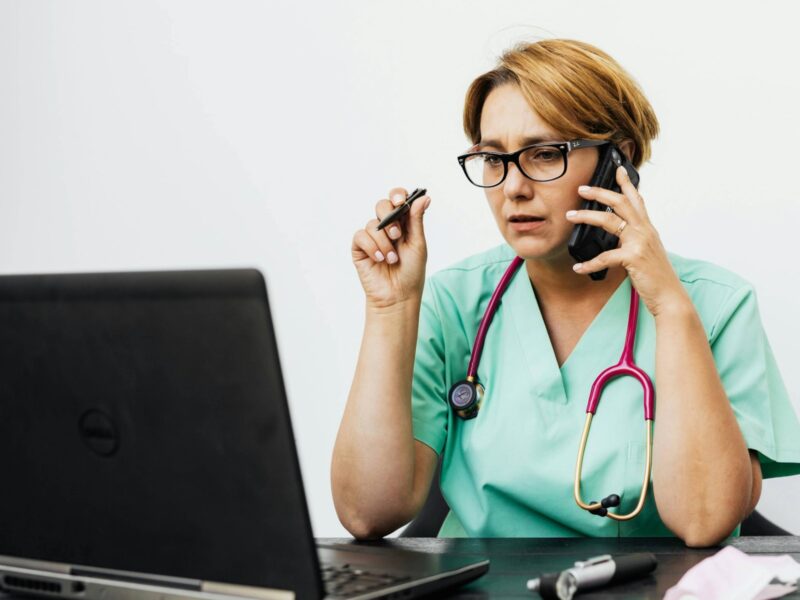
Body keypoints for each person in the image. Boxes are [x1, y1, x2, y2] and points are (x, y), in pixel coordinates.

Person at [331, 39, 800, 546]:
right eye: (493, 159)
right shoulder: (455, 303)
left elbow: (705, 520)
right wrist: (391, 307)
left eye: (545, 154)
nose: (512, 187)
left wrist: (669, 307)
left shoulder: (715, 305)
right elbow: (366, 512)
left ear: (618, 163)